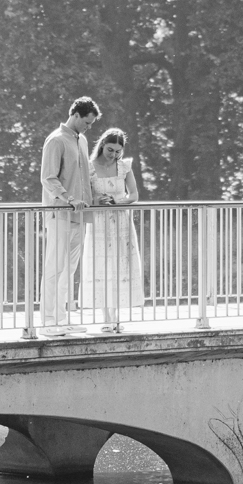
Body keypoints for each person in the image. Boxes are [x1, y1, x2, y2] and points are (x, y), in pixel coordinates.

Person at [39, 96, 99, 334]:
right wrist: (68, 198)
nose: (89, 127)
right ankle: (48, 321)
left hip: (81, 216)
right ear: (76, 115)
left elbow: (88, 173)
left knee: (69, 268)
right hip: (61, 213)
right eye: (87, 122)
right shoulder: (56, 140)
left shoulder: (82, 141)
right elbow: (48, 177)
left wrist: (98, 195)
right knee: (55, 267)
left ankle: (62, 318)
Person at [83, 127, 145, 332]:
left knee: (120, 264)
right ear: (102, 145)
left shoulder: (124, 167)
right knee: (101, 264)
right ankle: (106, 317)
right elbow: (84, 195)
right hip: (99, 221)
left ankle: (116, 315)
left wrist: (118, 201)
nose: (114, 155)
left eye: (118, 151)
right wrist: (96, 200)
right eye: (110, 150)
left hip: (120, 220)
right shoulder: (90, 167)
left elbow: (134, 194)